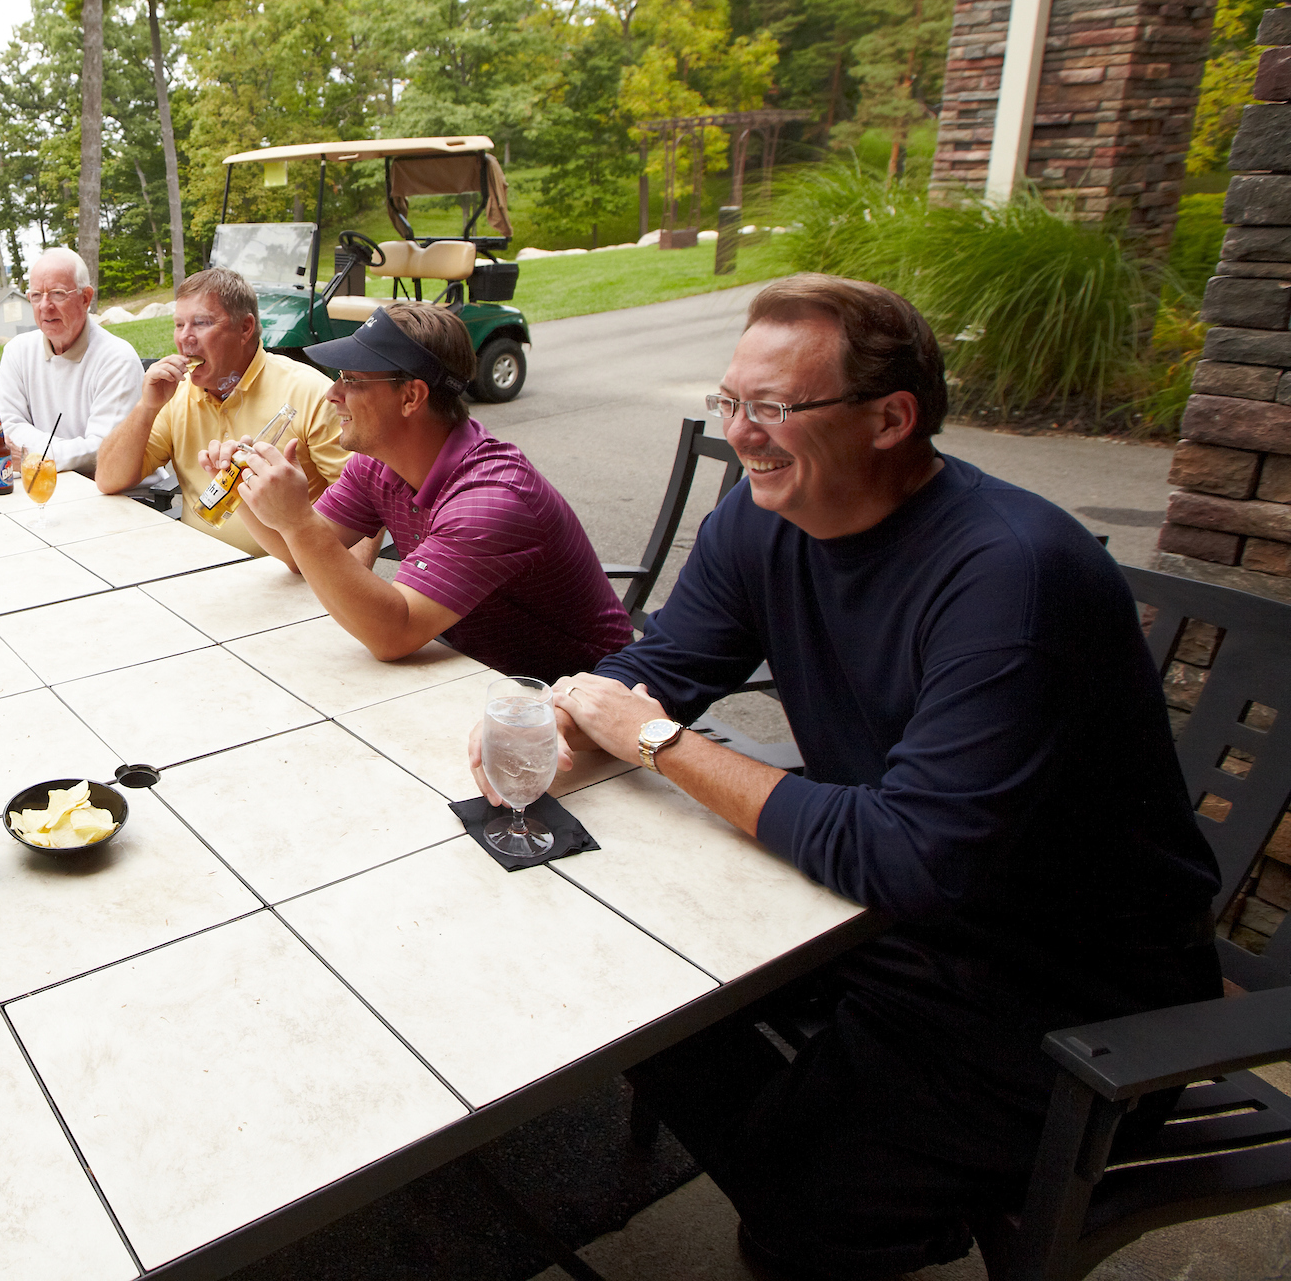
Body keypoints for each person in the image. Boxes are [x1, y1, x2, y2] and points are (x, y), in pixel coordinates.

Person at [512, 275, 1219, 1281]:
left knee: (800, 1212)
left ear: (891, 418)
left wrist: (655, 740)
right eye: (731, 402)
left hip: (1061, 987)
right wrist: (561, 724)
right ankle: (838, 1173)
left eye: (773, 406)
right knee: (621, 991)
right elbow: (662, 666)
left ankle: (846, 1206)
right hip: (880, 922)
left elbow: (907, 854)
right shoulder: (762, 520)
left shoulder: (1012, 577)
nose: (741, 434)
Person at [220, 302, 632, 678]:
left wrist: (298, 520)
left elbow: (392, 635)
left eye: (351, 379)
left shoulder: (490, 501)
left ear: (411, 397)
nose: (332, 394)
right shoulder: (377, 463)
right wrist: (242, 488)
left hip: (575, 696)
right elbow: (297, 553)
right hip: (473, 670)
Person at [94, 267, 349, 554]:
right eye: (179, 325)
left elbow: (363, 508)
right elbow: (108, 479)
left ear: (245, 328)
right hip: (197, 562)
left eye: (201, 323)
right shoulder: (176, 394)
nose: (185, 338)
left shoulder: (311, 393)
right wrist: (146, 406)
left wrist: (341, 582)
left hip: (290, 569)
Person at [0, 247, 142, 476]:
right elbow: (4, 428)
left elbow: (103, 450)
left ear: (86, 298)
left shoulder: (117, 359)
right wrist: (60, 453)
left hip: (117, 491)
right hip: (48, 485)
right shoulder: (18, 351)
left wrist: (30, 456)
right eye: (36, 295)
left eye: (57, 293)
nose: (45, 306)